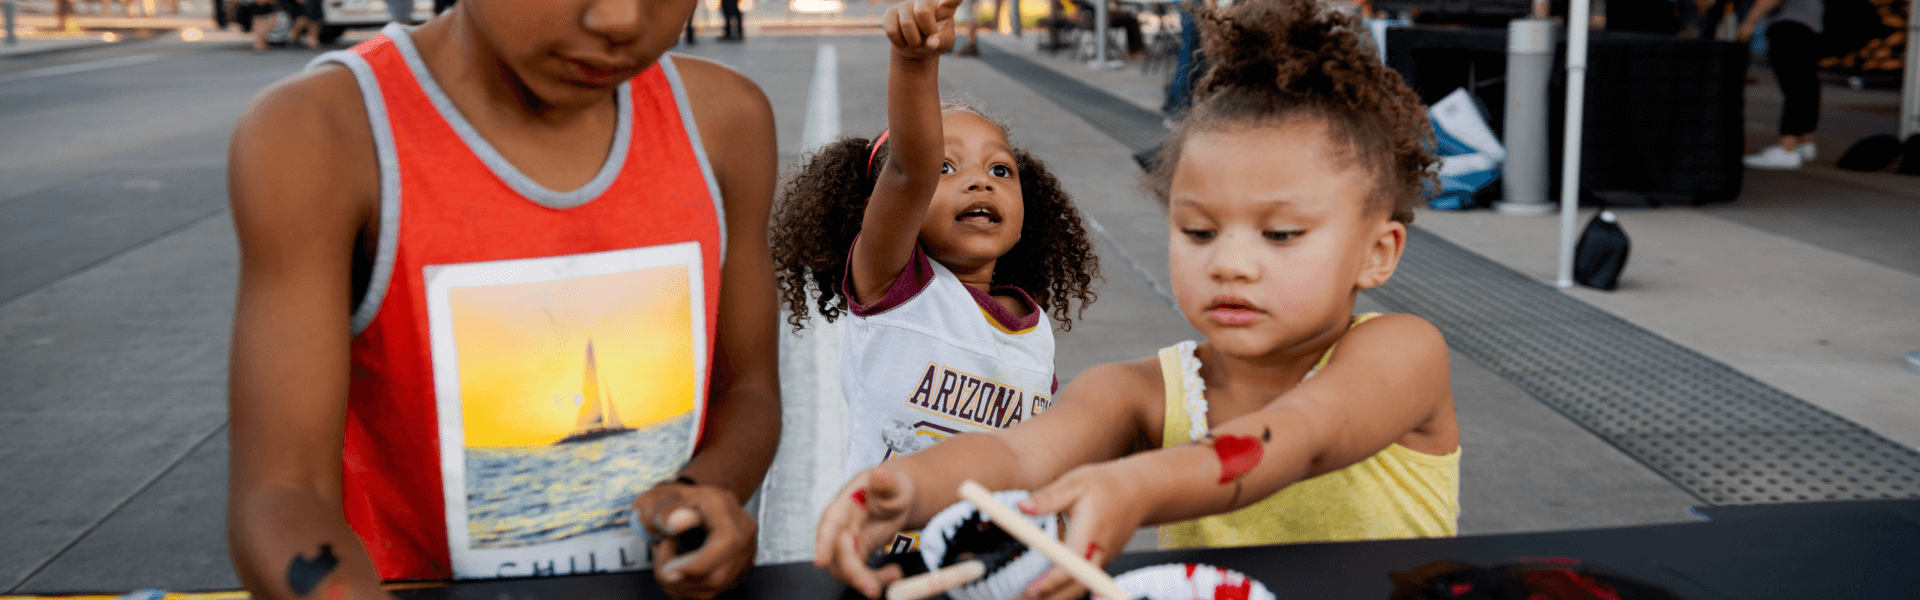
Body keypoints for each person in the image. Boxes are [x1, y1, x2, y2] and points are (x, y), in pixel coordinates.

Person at [813, 0, 1456, 597]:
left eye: (1281, 234)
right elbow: (1018, 453)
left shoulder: (1401, 352)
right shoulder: (1145, 391)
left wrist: (1134, 485)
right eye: (1198, 231)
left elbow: (1302, 434)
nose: (1230, 263)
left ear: (1379, 251)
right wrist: (902, 489)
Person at [223, 0, 781, 595]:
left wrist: (704, 493)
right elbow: (282, 492)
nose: (620, 19)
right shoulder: (325, 132)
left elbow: (747, 391)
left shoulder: (725, 123)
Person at [768, 0, 1099, 513]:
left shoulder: (1032, 333)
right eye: (947, 167)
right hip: (887, 560)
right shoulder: (894, 289)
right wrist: (916, 63)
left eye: (1002, 171)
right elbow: (908, 171)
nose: (980, 179)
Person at [1740, 0, 1826, 169]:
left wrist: (1749, 22)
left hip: (1789, 26)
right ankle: (1803, 142)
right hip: (1810, 26)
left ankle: (1787, 148)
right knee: (1806, 85)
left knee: (1795, 87)